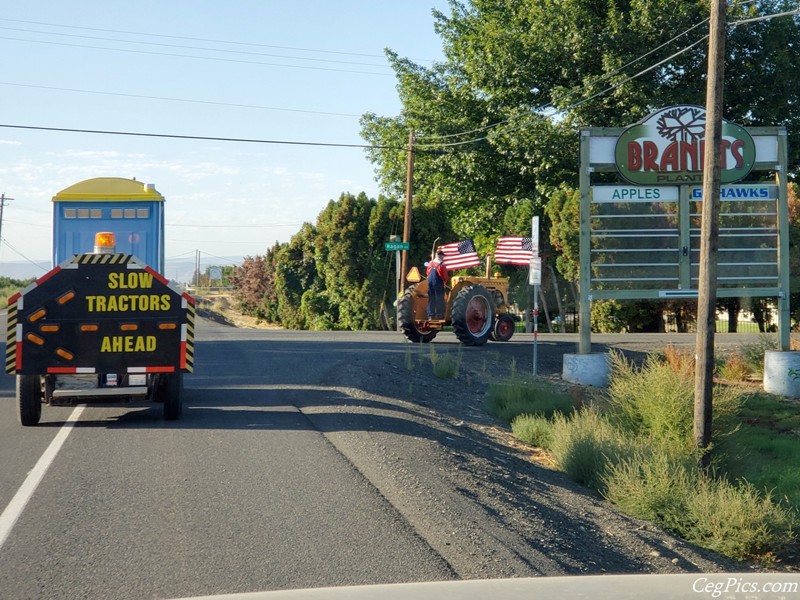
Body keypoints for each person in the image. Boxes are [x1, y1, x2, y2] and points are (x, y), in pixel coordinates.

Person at [426, 249, 448, 319]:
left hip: (430, 282)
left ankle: (430, 315)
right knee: (439, 298)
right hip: (438, 282)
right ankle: (440, 314)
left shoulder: (430, 263)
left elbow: (427, 273)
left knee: (431, 298)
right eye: (443, 256)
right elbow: (444, 276)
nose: (443, 257)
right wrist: (445, 281)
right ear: (441, 256)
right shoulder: (442, 264)